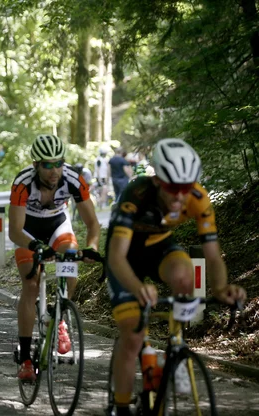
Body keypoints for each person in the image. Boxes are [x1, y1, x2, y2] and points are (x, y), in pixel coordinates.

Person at [105, 138, 246, 416]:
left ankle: (177, 349)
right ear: (158, 180)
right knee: (133, 334)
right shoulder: (136, 193)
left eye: (186, 187)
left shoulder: (198, 198)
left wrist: (220, 287)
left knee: (185, 278)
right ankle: (120, 405)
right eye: (173, 188)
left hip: (159, 245)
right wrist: (138, 287)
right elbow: (116, 257)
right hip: (124, 255)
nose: (180, 195)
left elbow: (213, 254)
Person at [9, 134, 101, 382]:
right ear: (36, 165)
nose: (54, 170)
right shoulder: (23, 183)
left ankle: (61, 317)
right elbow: (14, 230)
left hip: (58, 225)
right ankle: (26, 358)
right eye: (47, 164)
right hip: (28, 231)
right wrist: (36, 246)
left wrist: (91, 248)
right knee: (30, 284)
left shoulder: (73, 180)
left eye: (59, 163)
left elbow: (93, 223)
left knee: (69, 263)